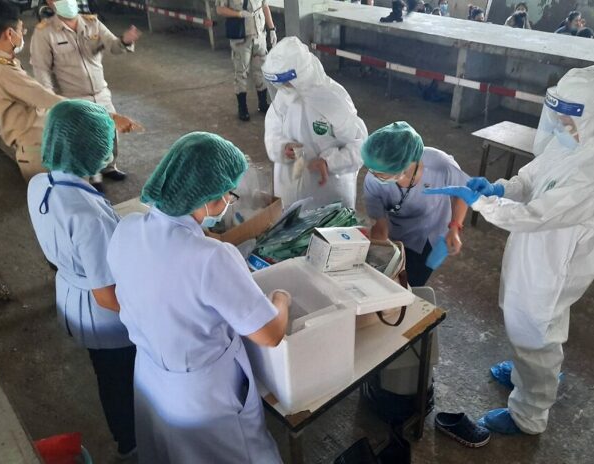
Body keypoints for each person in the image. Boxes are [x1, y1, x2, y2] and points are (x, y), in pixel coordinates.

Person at [424, 66, 594, 435]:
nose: (562, 123)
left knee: (535, 326)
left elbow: (535, 215)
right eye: (560, 115)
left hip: (556, 261)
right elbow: (534, 177)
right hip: (540, 250)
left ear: (593, 115)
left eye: (569, 117)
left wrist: (483, 204)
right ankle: (525, 371)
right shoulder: (575, 140)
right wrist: (502, 189)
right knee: (530, 319)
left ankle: (529, 412)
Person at [107, 132, 289, 463]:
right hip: (205, 393)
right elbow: (270, 334)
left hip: (150, 377)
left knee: (171, 453)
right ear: (211, 198)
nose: (228, 203)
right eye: (228, 195)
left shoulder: (127, 228)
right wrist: (281, 299)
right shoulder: (211, 257)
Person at [26, 100, 137, 458]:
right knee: (119, 381)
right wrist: (152, 316)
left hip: (71, 291)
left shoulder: (41, 182)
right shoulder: (89, 215)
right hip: (104, 315)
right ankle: (130, 443)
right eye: (106, 143)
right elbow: (108, 296)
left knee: (104, 372)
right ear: (92, 150)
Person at [30, 0, 141, 191]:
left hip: (101, 92)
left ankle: (109, 167)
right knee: (88, 139)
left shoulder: (92, 23)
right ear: (50, 2)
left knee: (111, 133)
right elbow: (42, 70)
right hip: (74, 95)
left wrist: (125, 40)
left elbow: (113, 46)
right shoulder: (44, 32)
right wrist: (52, 101)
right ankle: (93, 176)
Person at [263, 37, 368, 211]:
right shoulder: (283, 97)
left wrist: (329, 162)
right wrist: (283, 147)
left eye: (286, 82)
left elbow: (360, 147)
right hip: (289, 192)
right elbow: (272, 133)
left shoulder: (333, 99)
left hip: (328, 194)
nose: (283, 87)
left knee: (327, 236)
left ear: (302, 75)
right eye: (279, 84)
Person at [362, 121, 469, 287]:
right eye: (373, 171)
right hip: (396, 232)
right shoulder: (374, 179)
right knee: (389, 279)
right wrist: (380, 256)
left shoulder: (440, 165)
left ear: (404, 166)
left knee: (413, 282)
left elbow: (462, 192)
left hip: (430, 232)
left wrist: (455, 227)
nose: (375, 176)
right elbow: (380, 225)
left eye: (382, 174)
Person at [0, 0, 63, 181]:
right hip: (37, 152)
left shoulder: (2, 60)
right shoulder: (4, 70)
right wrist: (103, 115)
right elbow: (47, 99)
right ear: (9, 33)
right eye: (22, 30)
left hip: (32, 147)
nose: (23, 34)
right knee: (56, 202)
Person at [216, 0, 277, 121]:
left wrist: (272, 29)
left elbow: (264, 6)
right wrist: (239, 14)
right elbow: (220, 9)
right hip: (241, 38)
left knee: (261, 71)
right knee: (241, 72)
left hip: (259, 36)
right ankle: (242, 107)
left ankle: (263, 103)